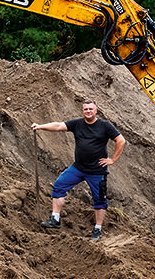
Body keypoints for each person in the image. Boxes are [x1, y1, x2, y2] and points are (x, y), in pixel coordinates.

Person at [31, 99, 125, 240]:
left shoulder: (105, 126)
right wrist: (40, 126)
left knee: (99, 200)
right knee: (59, 185)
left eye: (90, 109)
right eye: (85, 109)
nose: (88, 111)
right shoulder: (77, 124)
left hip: (97, 171)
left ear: (96, 111)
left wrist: (112, 159)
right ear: (83, 111)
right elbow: (58, 126)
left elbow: (121, 140)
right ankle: (55, 218)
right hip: (78, 168)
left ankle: (97, 229)